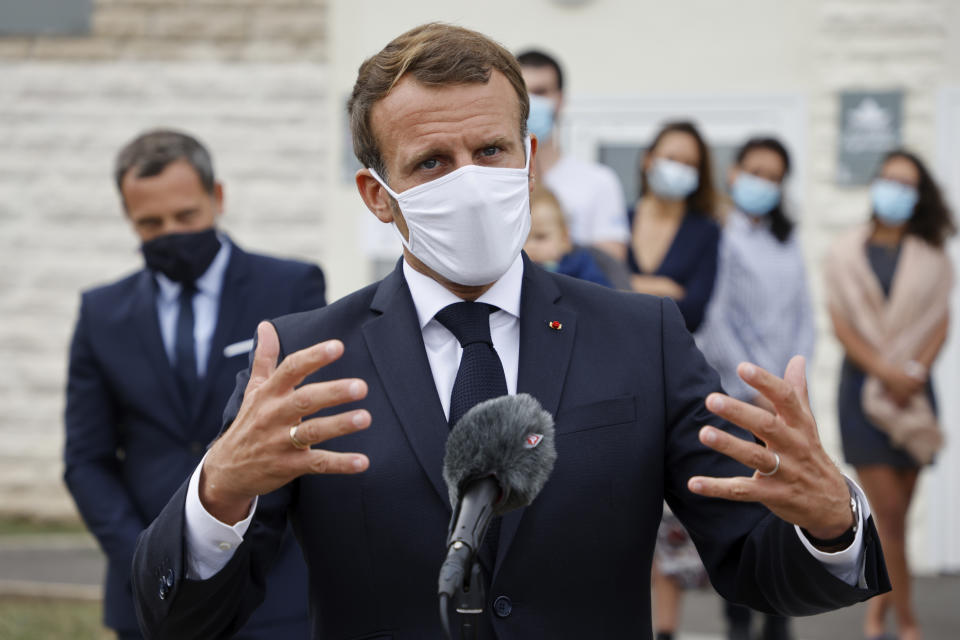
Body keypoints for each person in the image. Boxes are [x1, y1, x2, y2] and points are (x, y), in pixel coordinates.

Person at [132, 24, 888, 640]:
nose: (469, 179)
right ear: (377, 195)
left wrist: (830, 522)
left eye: (490, 150)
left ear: (527, 159)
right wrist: (219, 492)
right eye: (431, 161)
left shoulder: (641, 337)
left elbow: (757, 566)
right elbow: (186, 617)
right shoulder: (305, 363)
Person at [64, 129, 326, 640]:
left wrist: (230, 541)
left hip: (271, 589)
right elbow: (86, 459)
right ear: (128, 217)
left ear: (217, 198)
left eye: (186, 217)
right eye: (151, 223)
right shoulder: (101, 314)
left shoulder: (290, 285)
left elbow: (304, 425)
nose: (171, 232)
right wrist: (150, 558)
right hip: (146, 600)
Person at [825, 150, 955, 640]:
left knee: (897, 514)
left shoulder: (933, 255)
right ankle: (909, 621)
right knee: (893, 519)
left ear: (919, 195)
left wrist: (913, 371)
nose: (895, 191)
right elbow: (841, 322)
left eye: (907, 184)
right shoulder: (844, 251)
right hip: (862, 391)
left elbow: (940, 320)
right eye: (889, 180)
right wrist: (884, 370)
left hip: (915, 396)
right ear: (875, 184)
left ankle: (878, 611)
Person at [696, 137, 814, 640]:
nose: (763, 182)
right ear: (733, 173)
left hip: (784, 398)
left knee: (788, 504)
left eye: (773, 175)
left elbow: (805, 317)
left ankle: (779, 615)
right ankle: (739, 615)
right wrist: (757, 384)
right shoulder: (719, 235)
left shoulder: (787, 240)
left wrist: (791, 386)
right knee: (744, 504)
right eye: (755, 170)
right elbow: (717, 319)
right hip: (739, 392)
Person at [517, 49, 629, 261]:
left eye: (540, 92)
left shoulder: (599, 181)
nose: (531, 102)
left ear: (560, 99)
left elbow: (611, 263)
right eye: (523, 92)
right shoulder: (495, 177)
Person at [627, 121, 721, 333]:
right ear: (648, 160)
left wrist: (628, 286)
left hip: (670, 356)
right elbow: (597, 288)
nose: (679, 169)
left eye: (689, 164)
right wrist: (663, 288)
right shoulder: (620, 220)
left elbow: (694, 313)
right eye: (671, 159)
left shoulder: (705, 231)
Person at [523, 185, 613, 287]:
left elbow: (600, 294)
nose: (530, 246)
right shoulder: (518, 273)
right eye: (523, 239)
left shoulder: (580, 264)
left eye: (540, 237)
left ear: (564, 239)